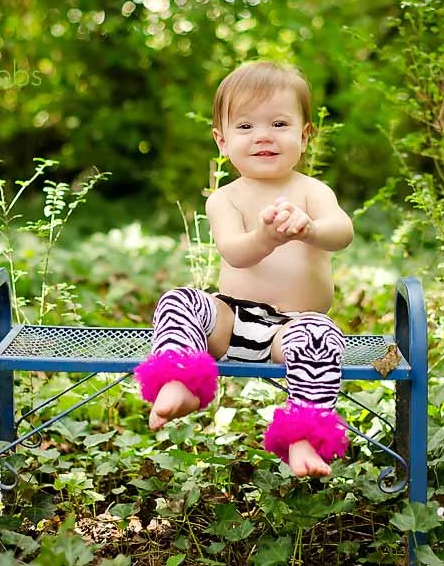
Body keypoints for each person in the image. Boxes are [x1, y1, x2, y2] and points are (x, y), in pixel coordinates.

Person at [134, 60, 354, 478]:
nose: (264, 136)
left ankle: (304, 436)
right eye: (246, 127)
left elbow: (342, 232)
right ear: (221, 140)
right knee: (180, 301)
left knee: (322, 338)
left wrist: (308, 229)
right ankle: (179, 378)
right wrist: (267, 237)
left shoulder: (312, 192)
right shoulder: (225, 199)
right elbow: (235, 252)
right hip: (231, 318)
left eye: (279, 123)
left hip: (292, 328)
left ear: (304, 136)